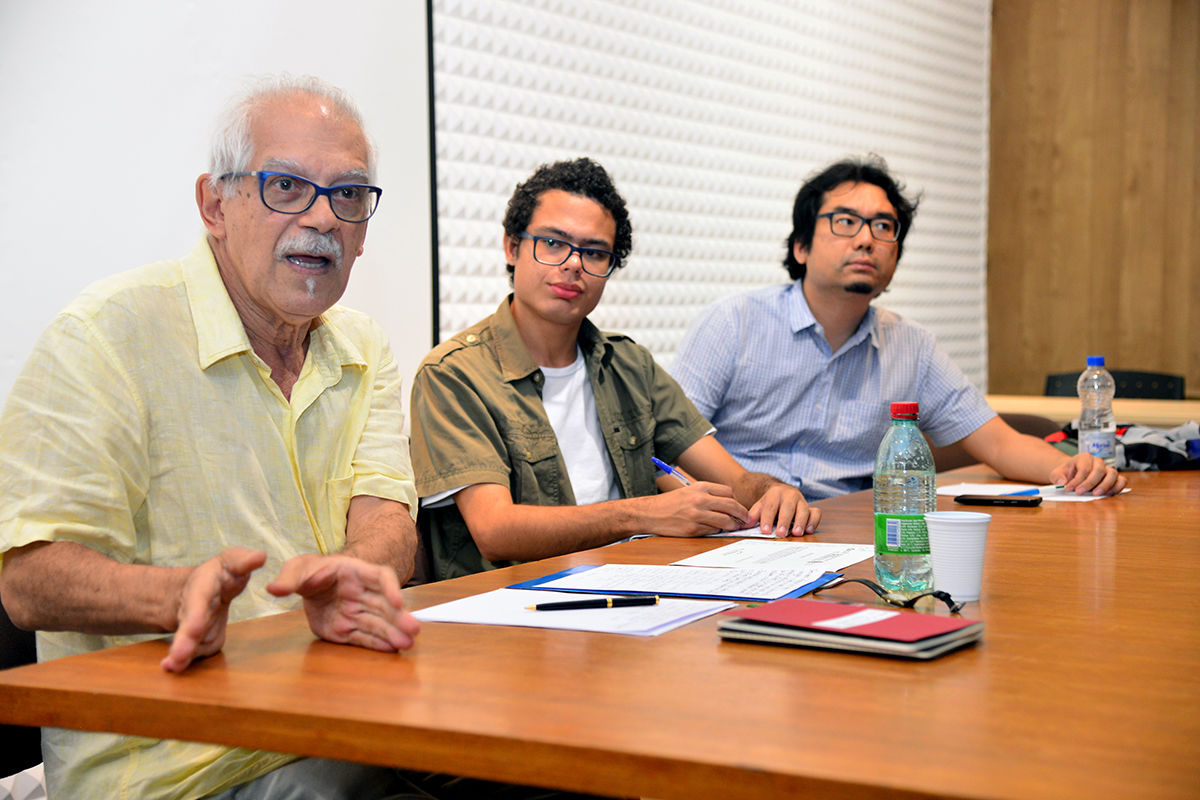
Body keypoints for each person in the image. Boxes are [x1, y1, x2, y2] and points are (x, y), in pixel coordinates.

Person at [0, 75, 425, 799]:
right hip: (180, 766)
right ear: (213, 205)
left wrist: (354, 572)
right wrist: (175, 596)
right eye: (286, 187)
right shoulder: (104, 335)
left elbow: (388, 518)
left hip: (340, 719)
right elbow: (27, 581)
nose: (322, 218)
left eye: (348, 195)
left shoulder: (363, 346)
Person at [409, 158, 821, 582]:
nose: (572, 264)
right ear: (513, 247)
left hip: (636, 586)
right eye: (553, 243)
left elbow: (735, 479)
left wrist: (773, 492)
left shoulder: (629, 364)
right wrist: (645, 514)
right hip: (514, 605)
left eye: (594, 252)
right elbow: (496, 531)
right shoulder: (453, 374)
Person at [671, 156, 1126, 501]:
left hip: (847, 534)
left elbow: (1000, 443)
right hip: (739, 525)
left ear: (893, 260)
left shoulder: (912, 346)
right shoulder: (733, 323)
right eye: (846, 221)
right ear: (802, 246)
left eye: (883, 226)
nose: (866, 238)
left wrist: (1075, 469)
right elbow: (670, 448)